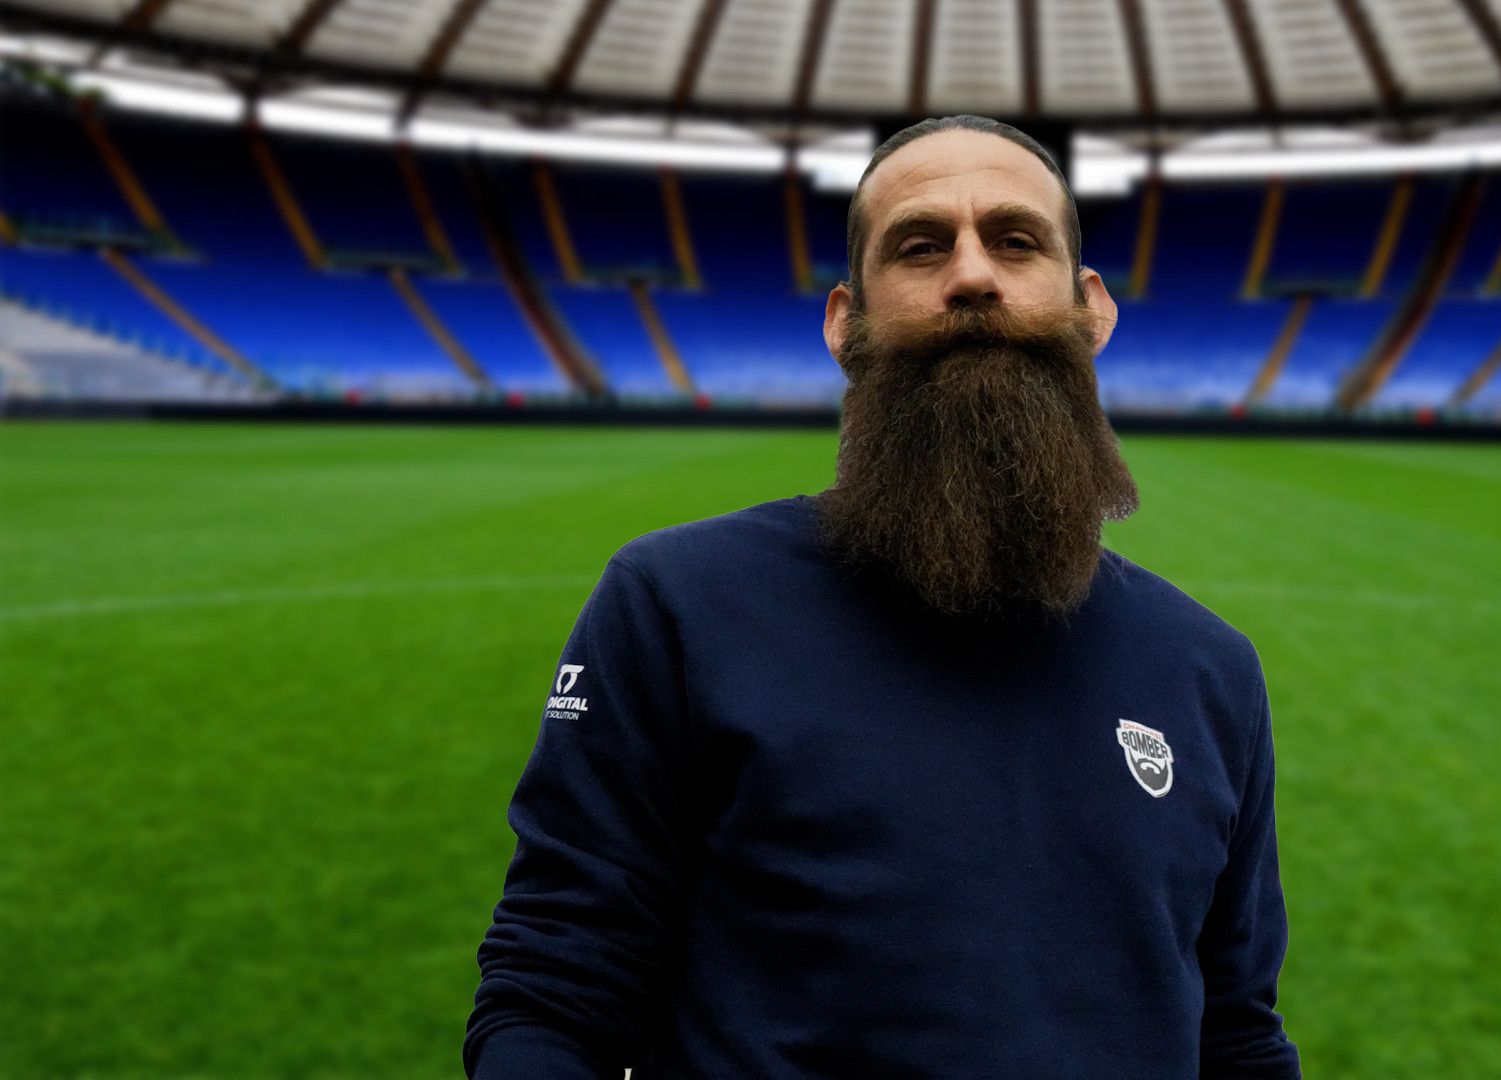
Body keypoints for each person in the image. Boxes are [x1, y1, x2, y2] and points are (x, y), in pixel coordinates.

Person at [464, 114, 1303, 1079]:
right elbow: (556, 988)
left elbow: (1236, 1033)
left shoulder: (1209, 670)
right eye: (920, 246)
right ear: (844, 322)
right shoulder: (679, 606)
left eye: (1016, 240)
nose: (973, 274)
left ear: (1091, 309)